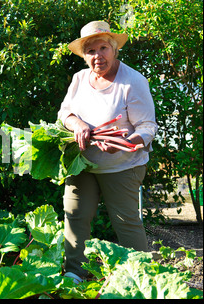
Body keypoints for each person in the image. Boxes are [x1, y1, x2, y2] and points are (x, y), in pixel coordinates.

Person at [57, 21, 158, 283]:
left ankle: (141, 278)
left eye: (103, 48)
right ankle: (74, 274)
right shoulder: (80, 79)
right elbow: (64, 113)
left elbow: (147, 126)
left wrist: (124, 142)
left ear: (114, 49)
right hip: (83, 163)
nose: (97, 56)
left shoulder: (132, 81)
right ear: (84, 55)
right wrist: (77, 123)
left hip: (122, 165)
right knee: (75, 216)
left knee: (126, 222)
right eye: (90, 51)